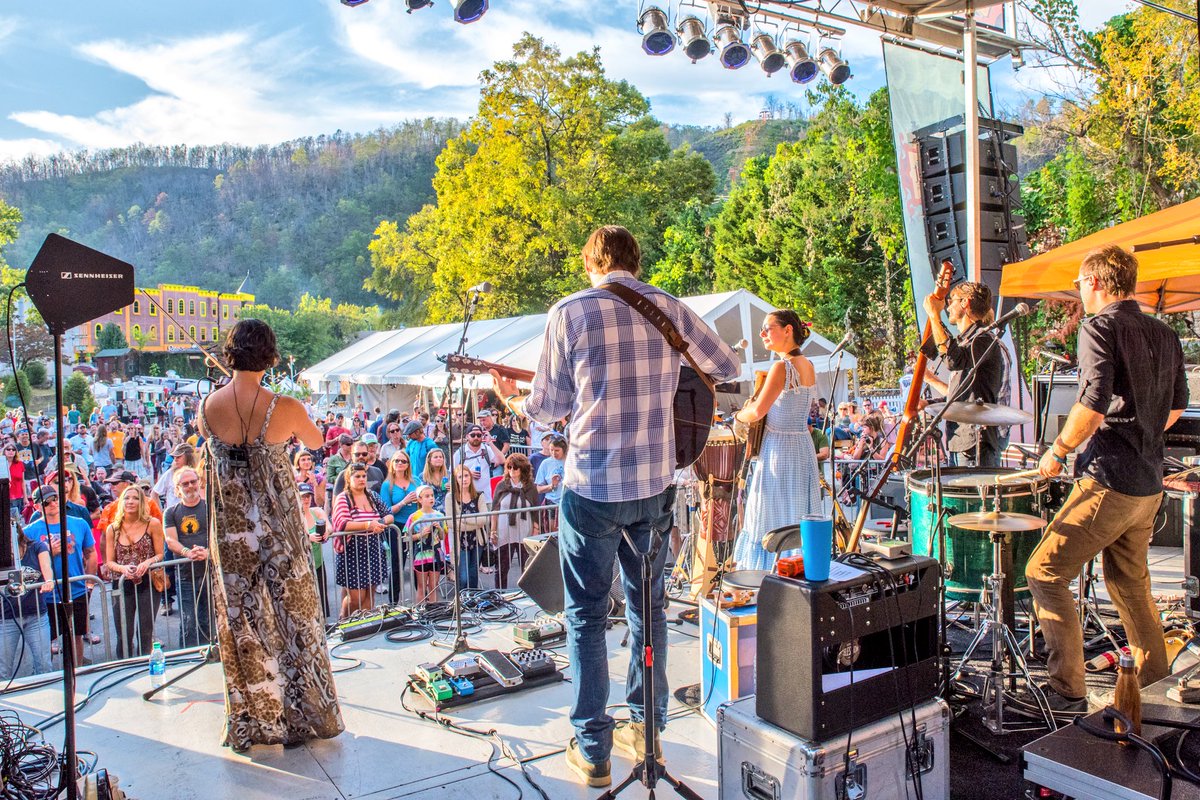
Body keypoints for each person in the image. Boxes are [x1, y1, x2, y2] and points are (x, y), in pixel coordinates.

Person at [492, 225, 739, 786]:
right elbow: (725, 366)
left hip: (593, 487)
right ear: (636, 259)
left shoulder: (570, 312)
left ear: (590, 263)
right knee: (647, 610)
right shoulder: (669, 307)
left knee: (584, 616)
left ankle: (593, 750)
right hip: (655, 484)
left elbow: (548, 407)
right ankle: (647, 730)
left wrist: (510, 397)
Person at [1029, 246, 1188, 714]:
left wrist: (1057, 451)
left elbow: (1093, 404)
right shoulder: (1164, 332)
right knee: (1130, 582)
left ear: (1095, 282)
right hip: (1149, 481)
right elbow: (1175, 409)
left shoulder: (1098, 326)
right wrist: (1141, 433)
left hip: (1109, 477)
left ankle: (1066, 691)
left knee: (1044, 571)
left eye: (1079, 285)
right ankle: (1156, 692)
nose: (1078, 293)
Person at [198, 318, 343, 751]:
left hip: (231, 530)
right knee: (294, 617)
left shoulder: (209, 406)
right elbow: (317, 442)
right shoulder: (287, 406)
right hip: (278, 525)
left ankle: (255, 719)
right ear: (270, 354)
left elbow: (212, 444)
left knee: (243, 620)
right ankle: (302, 715)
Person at [730, 309, 822, 572]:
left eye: (768, 328)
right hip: (801, 448)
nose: (762, 334)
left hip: (778, 452)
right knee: (796, 514)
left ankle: (769, 575)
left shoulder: (782, 367)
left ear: (787, 331)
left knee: (768, 517)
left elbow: (758, 411)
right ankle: (797, 568)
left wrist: (740, 413)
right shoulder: (809, 365)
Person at [920, 280, 1006, 467]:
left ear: (965, 302)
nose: (948, 307)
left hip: (975, 442)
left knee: (973, 496)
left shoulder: (982, 339)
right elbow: (963, 395)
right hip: (962, 439)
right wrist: (929, 403)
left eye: (952, 301)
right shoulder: (969, 342)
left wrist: (934, 316)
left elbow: (953, 361)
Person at [26, 485, 96, 668]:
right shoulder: (29, 532)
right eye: (46, 502)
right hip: (46, 594)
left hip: (76, 590)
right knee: (46, 639)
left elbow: (91, 552)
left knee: (76, 634)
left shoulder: (79, 523)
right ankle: (49, 675)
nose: (52, 504)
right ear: (37, 507)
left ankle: (77, 671)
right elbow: (27, 567)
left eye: (55, 498)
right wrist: (49, 552)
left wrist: (90, 582)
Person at [104, 485, 165, 659]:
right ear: (121, 502)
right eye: (127, 498)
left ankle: (145, 667)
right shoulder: (113, 529)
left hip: (148, 583)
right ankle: (125, 667)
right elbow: (109, 561)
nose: (130, 501)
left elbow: (160, 554)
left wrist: (148, 562)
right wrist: (123, 569)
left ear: (142, 502)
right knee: (124, 632)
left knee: (145, 631)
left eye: (135, 498)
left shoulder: (152, 523)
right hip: (122, 584)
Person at [331, 462, 392, 617]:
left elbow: (389, 514)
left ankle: (365, 625)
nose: (361, 479)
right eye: (357, 476)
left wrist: (380, 523)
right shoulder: (343, 498)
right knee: (355, 598)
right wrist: (367, 525)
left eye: (364, 476)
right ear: (349, 478)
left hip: (373, 549)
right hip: (352, 552)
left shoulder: (373, 496)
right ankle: (343, 622)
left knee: (370, 595)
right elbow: (342, 524)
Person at [163, 467, 211, 648]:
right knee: (188, 621)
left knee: (208, 619)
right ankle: (188, 659)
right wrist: (187, 553)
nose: (190, 486)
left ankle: (210, 658)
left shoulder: (209, 507)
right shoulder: (171, 512)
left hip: (208, 571)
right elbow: (170, 540)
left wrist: (207, 552)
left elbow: (218, 534)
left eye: (193, 481)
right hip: (185, 574)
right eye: (185, 483)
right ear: (177, 488)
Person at [0, 528, 55, 680]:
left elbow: (47, 569)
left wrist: (48, 581)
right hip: (6, 618)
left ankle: (46, 696)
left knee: (44, 665)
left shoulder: (37, 547)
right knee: (3, 669)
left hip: (36, 614)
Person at [490, 453, 540, 590]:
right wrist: (493, 531)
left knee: (527, 566)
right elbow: (494, 509)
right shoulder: (501, 486)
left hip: (525, 530)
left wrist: (535, 530)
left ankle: (527, 594)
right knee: (502, 567)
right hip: (504, 531)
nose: (512, 470)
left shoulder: (531, 487)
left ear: (522, 469)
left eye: (516, 467)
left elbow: (535, 511)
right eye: (509, 467)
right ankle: (500, 594)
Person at [379, 451, 421, 603]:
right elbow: (386, 511)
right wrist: (404, 501)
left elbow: (426, 500)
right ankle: (393, 604)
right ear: (392, 463)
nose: (400, 463)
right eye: (397, 461)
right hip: (396, 527)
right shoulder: (387, 485)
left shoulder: (415, 481)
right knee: (398, 565)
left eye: (403, 461)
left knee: (420, 564)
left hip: (415, 525)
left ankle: (423, 601)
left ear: (408, 464)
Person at [447, 465, 489, 590]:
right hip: (460, 541)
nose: (464, 479)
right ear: (456, 480)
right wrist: (474, 522)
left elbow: (484, 519)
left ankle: (473, 600)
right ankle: (462, 600)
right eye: (460, 476)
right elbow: (451, 522)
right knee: (463, 576)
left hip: (477, 540)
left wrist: (464, 519)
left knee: (473, 574)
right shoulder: (450, 497)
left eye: (466, 476)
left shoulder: (479, 495)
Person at [404, 485, 446, 604]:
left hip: (435, 554)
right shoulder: (414, 517)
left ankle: (434, 611)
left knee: (433, 586)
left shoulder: (440, 515)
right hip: (421, 554)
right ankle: (420, 610)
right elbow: (407, 537)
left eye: (432, 495)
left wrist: (440, 529)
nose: (430, 498)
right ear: (420, 499)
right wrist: (420, 534)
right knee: (422, 586)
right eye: (427, 496)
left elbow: (442, 537)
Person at [298, 483, 331, 619]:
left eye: (308, 496)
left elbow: (329, 526)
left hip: (317, 563)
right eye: (303, 497)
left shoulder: (316, 511)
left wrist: (327, 532)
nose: (306, 499)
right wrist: (307, 537)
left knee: (321, 596)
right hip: (302, 566)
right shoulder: (294, 515)